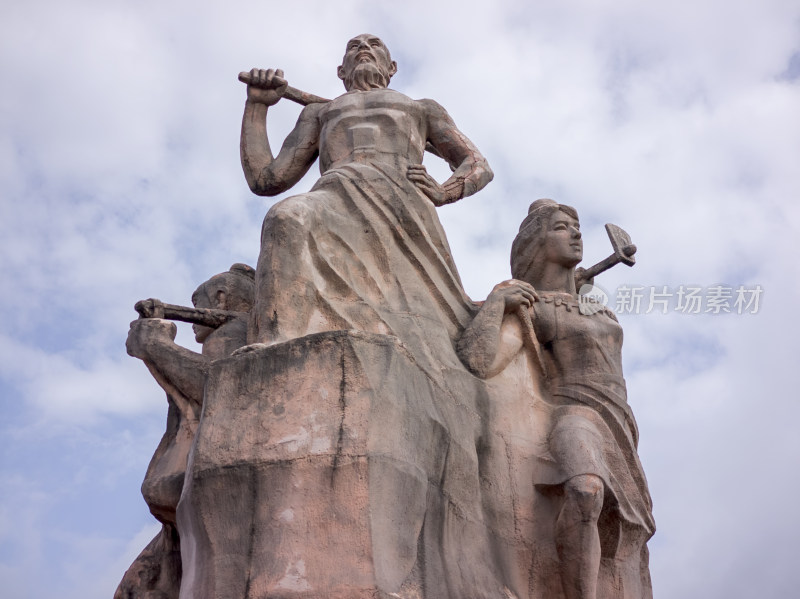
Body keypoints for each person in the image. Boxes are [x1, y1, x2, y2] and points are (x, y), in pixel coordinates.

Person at [240, 34, 493, 365]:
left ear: (392, 67)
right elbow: (266, 179)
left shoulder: (421, 109)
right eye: (353, 46)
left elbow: (478, 165)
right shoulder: (320, 113)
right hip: (337, 195)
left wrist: (446, 191)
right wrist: (257, 107)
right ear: (340, 70)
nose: (362, 48)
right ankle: (275, 341)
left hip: (404, 205)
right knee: (285, 217)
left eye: (374, 44)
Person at [457, 200, 654, 599]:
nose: (577, 234)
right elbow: (481, 361)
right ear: (535, 243)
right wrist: (497, 303)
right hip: (571, 413)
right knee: (584, 490)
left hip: (620, 424)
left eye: (576, 227)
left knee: (620, 528)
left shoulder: (595, 309)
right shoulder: (535, 307)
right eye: (562, 227)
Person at [115, 264, 255, 599]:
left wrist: (157, 347)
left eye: (198, 302)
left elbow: (223, 385)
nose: (192, 317)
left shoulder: (237, 332)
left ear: (220, 298)